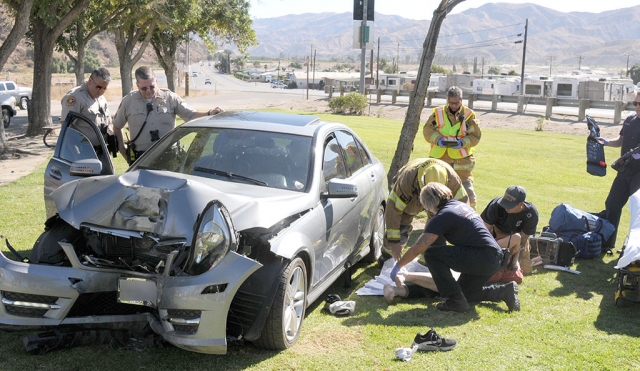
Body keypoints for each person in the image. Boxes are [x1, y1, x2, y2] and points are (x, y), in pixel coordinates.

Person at [390, 182, 520, 313]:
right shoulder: (461, 206)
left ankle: (454, 301)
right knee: (464, 293)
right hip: (495, 258)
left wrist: (398, 266)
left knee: (431, 254)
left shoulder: (443, 216)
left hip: (483, 257)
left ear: (428, 204)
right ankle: (503, 291)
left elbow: (418, 248)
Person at [113, 66, 224, 164]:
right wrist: (123, 151)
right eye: (143, 88)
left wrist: (209, 113)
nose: (148, 91)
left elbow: (191, 115)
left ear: (156, 81)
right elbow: (117, 127)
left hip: (169, 158)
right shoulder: (129, 101)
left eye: (152, 86)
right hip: (141, 159)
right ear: (137, 85)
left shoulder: (170, 98)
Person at [384, 158, 469, 262]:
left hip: (439, 203)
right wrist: (394, 242)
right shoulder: (407, 179)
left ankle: (426, 261)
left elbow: (462, 206)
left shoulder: (453, 180)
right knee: (402, 225)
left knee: (436, 229)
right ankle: (387, 257)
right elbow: (393, 210)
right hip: (411, 196)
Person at [423, 86, 481, 209]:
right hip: (440, 158)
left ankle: (471, 217)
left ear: (461, 99)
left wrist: (462, 142)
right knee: (439, 192)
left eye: (456, 103)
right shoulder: (438, 113)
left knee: (467, 191)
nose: (453, 106)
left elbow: (475, 136)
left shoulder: (469, 115)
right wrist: (438, 140)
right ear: (447, 100)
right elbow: (427, 130)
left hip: (462, 161)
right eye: (451, 103)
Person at [597, 92, 640, 250]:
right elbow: (621, 140)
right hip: (624, 171)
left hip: (639, 174)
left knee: (637, 210)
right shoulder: (630, 120)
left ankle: (633, 248)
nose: (637, 107)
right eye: (635, 104)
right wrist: (606, 142)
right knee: (612, 204)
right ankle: (608, 243)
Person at [481, 185, 539, 281]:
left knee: (525, 270)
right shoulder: (496, 205)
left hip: (518, 237)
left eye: (510, 206)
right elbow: (484, 232)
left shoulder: (531, 213)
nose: (505, 208)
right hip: (496, 234)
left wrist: (515, 264)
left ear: (521, 204)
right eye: (505, 203)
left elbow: (523, 241)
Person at [60, 67, 114, 154]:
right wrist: (77, 156)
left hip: (101, 151)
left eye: (104, 88)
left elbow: (109, 122)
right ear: (90, 80)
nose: (101, 91)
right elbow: (66, 130)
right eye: (99, 87)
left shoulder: (101, 98)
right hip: (82, 151)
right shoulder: (75, 97)